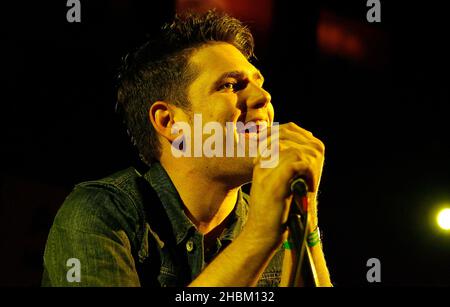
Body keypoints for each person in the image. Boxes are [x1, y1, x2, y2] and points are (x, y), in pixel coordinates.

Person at [42, 10, 332, 287]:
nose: (263, 97)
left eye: (259, 83)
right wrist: (259, 237)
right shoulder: (100, 213)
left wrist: (306, 215)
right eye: (230, 85)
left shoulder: (275, 225)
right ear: (169, 122)